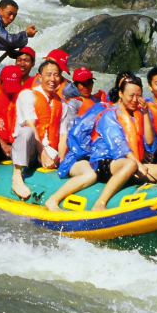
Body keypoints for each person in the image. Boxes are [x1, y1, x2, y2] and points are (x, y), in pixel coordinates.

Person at [43, 75, 150, 214]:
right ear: (120, 92)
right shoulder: (104, 110)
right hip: (85, 158)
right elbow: (77, 136)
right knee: (91, 175)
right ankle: (54, 199)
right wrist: (90, 152)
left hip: (116, 161)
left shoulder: (136, 115)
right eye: (131, 94)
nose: (135, 99)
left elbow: (147, 144)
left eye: (138, 95)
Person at [7, 58, 66, 199]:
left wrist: (63, 164)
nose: (53, 79)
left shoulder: (62, 104)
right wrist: (43, 154)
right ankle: (16, 176)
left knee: (55, 157)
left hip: (46, 148)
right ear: (40, 77)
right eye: (48, 74)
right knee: (27, 131)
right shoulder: (27, 95)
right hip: (28, 147)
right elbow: (30, 125)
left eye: (56, 75)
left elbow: (63, 135)